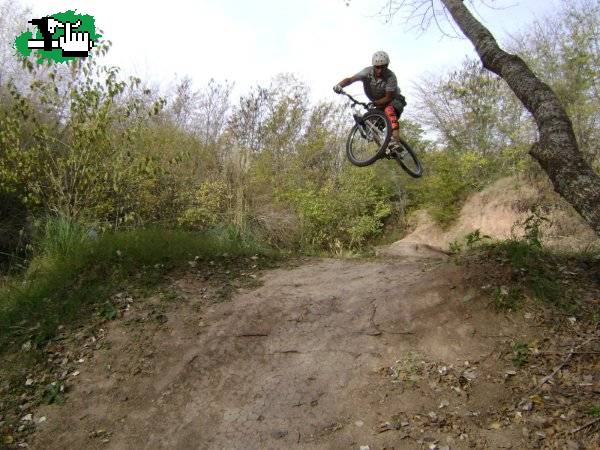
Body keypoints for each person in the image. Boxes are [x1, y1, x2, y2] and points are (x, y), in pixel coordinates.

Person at [333, 50, 406, 149]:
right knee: (371, 125)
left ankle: (396, 141)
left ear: (387, 65)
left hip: (394, 100)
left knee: (389, 111)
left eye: (383, 67)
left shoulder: (391, 77)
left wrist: (375, 103)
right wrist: (339, 85)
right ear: (373, 66)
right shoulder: (367, 72)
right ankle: (384, 149)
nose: (379, 70)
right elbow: (350, 79)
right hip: (378, 104)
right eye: (377, 67)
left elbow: (388, 98)